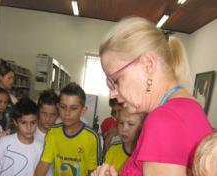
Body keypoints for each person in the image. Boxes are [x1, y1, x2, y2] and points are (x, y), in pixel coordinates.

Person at [91, 17, 212, 176]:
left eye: (116, 81)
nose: (112, 93)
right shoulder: (189, 107)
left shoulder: (163, 120)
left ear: (147, 64)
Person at [35, 82, 101, 176]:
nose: (67, 113)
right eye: (63, 107)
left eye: (73, 108)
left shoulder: (92, 137)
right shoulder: (53, 132)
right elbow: (44, 163)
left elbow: (93, 171)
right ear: (58, 107)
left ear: (83, 111)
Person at [0, 98, 42, 176]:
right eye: (23, 123)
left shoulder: (41, 147)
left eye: (33, 123)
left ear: (38, 121)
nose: (29, 128)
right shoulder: (4, 142)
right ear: (15, 122)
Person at [35, 89, 59, 176]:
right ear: (38, 112)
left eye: (52, 114)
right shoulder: (28, 132)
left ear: (58, 114)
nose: (48, 119)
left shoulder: (60, 136)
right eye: (44, 113)